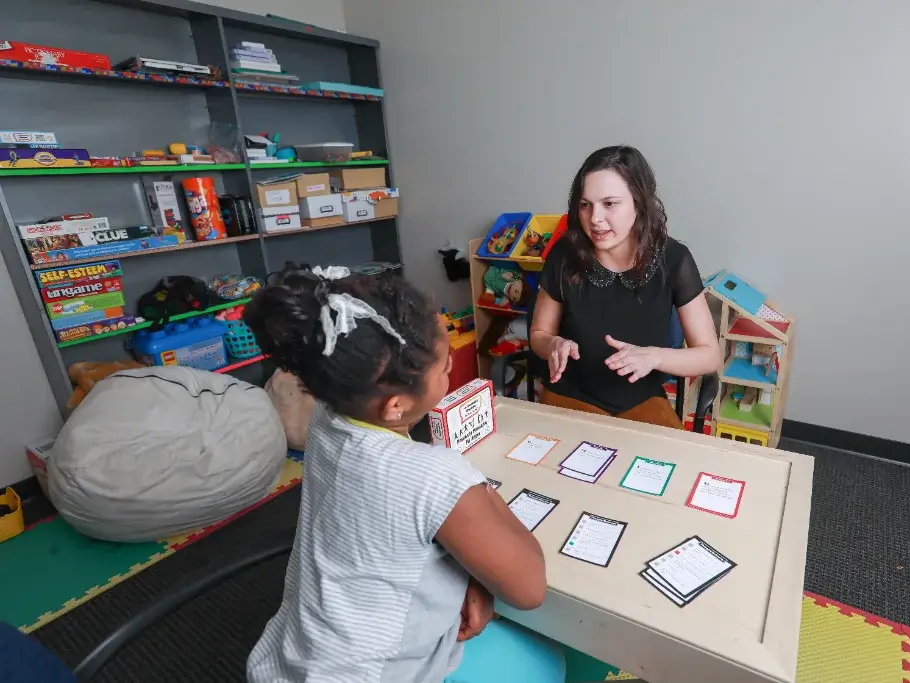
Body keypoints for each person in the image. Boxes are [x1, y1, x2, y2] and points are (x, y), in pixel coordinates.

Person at [244, 265, 563, 683]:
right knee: (549, 660)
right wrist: (478, 493)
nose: (452, 366)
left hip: (290, 665)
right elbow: (528, 589)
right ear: (394, 405)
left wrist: (473, 576)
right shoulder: (436, 476)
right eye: (445, 367)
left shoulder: (326, 419)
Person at [530, 145, 720, 428]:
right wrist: (553, 344)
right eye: (585, 205)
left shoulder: (674, 260)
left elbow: (709, 355)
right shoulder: (564, 256)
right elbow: (539, 334)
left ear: (639, 203)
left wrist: (654, 357)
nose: (594, 219)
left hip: (640, 400)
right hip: (569, 396)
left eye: (609, 204)